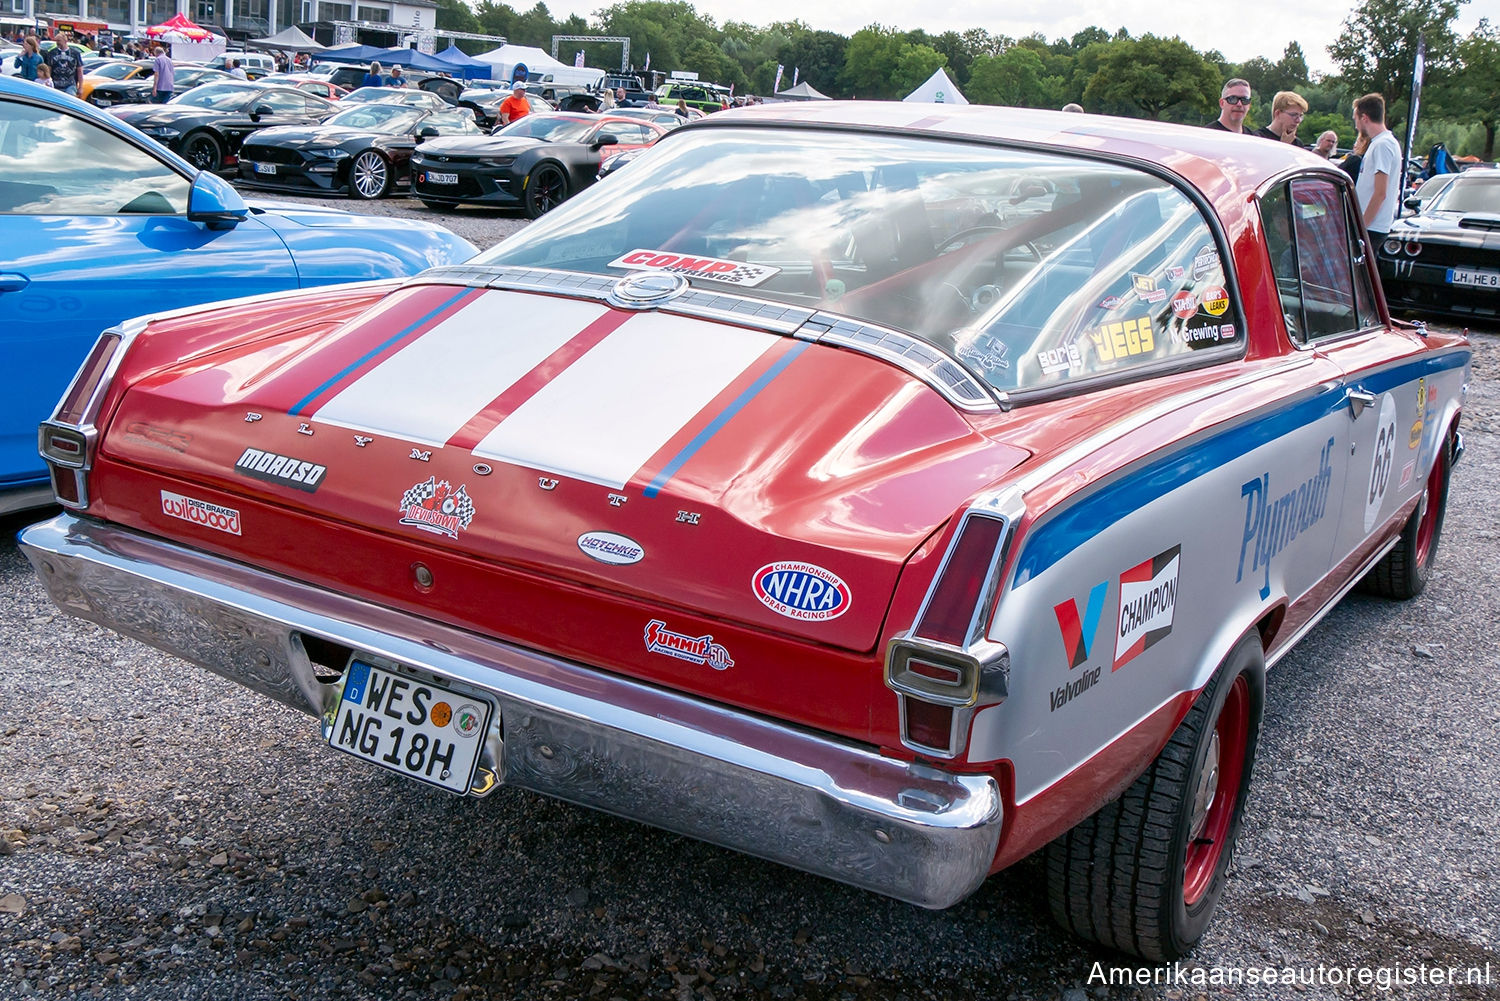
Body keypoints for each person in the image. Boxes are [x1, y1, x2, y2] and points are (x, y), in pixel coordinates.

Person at [1352, 92, 1401, 244]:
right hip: (1372, 226)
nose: (1355, 125)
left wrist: (1361, 228)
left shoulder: (1382, 145)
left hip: (1372, 227)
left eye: (1356, 119)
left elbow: (1380, 193)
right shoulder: (1381, 143)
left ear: (1364, 118)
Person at [43, 30, 83, 96]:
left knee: (70, 100)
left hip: (70, 85)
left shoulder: (75, 54)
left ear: (65, 41)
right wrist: (48, 82)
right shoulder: (51, 53)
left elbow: (80, 71)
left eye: (59, 41)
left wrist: (80, 87)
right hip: (55, 84)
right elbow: (48, 69)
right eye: (56, 41)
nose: (57, 43)